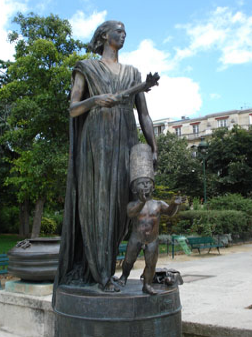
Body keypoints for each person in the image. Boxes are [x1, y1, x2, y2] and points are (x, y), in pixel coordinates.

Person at [53, 20, 158, 294]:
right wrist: (95, 101)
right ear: (104, 35)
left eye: (125, 31)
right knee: (101, 205)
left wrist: (153, 146)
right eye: (118, 31)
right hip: (97, 142)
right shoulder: (87, 68)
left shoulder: (133, 73)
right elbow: (73, 108)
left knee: (122, 208)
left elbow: (143, 115)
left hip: (125, 139)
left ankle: (106, 268)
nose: (123, 35)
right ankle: (102, 274)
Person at [116, 144, 186, 295]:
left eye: (148, 183)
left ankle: (147, 284)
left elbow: (169, 212)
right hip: (136, 237)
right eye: (142, 183)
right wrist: (142, 201)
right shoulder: (133, 204)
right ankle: (124, 276)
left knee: (151, 263)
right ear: (134, 189)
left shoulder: (158, 204)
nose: (146, 186)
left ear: (153, 187)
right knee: (128, 260)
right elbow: (131, 214)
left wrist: (174, 204)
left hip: (152, 238)